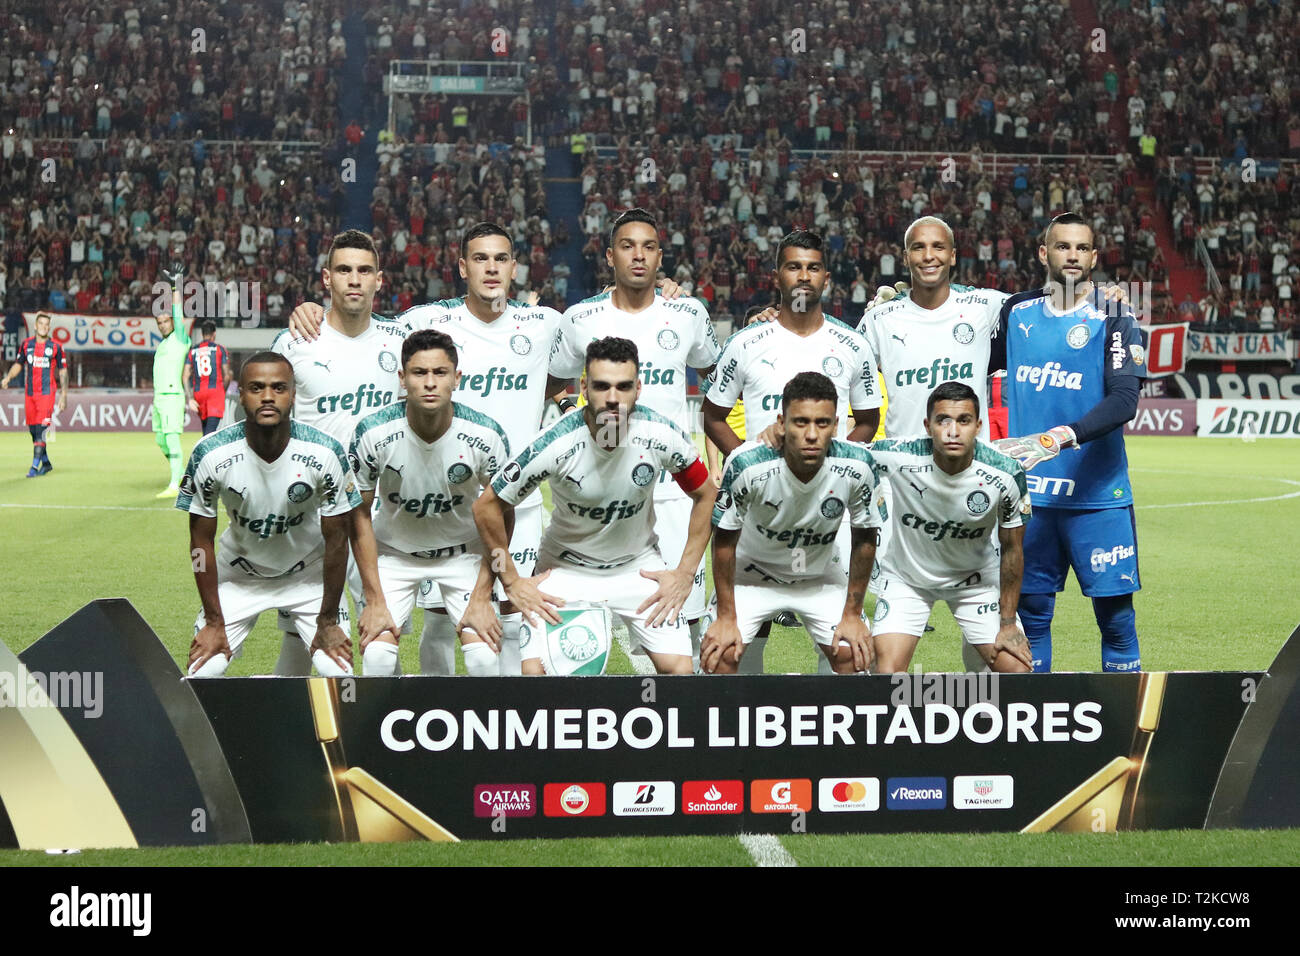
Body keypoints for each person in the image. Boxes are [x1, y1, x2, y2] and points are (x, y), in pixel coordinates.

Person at [287, 221, 566, 676]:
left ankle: (510, 729)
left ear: (515, 267)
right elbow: (360, 325)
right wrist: (311, 310)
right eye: (479, 258)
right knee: (439, 623)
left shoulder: (546, 323)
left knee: (514, 621)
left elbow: (583, 355)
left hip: (518, 501)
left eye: (500, 259)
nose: (491, 268)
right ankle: (437, 727)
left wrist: (666, 287)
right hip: (441, 505)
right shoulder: (423, 321)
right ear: (461, 267)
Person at [475, 336, 716, 676]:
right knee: (533, 675)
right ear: (584, 387)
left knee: (680, 672)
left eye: (623, 387)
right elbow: (487, 506)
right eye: (602, 387)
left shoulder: (660, 433)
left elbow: (706, 494)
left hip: (638, 567)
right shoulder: (555, 442)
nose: (613, 399)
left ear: (639, 388)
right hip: (564, 570)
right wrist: (512, 581)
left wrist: (685, 573)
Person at [701, 229, 882, 672]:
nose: (804, 276)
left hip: (827, 517)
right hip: (759, 515)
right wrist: (748, 461)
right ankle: (743, 732)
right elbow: (711, 415)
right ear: (777, 275)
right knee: (727, 653)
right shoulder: (746, 343)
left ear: (827, 278)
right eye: (793, 266)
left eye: (813, 267)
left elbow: (869, 419)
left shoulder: (853, 345)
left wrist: (833, 466)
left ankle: (832, 735)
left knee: (851, 655)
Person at [548, 209, 721, 658]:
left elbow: (717, 377)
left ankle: (685, 709)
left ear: (660, 256)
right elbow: (550, 383)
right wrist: (569, 404)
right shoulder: (582, 318)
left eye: (648, 247)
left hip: (674, 489)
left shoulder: (687, 313)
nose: (638, 256)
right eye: (627, 246)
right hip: (608, 489)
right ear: (610, 255)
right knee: (605, 608)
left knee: (687, 609)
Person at [991, 212, 1145, 673]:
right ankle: (1034, 737)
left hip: (1098, 497)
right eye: (1062, 246)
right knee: (1032, 620)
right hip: (1030, 497)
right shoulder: (1015, 312)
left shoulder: (1115, 313)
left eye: (1081, 248)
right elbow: (978, 368)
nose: (1072, 255)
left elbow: (1124, 399)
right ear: (1044, 253)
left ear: (1094, 257)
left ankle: (1127, 738)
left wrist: (1062, 436)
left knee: (1116, 620)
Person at [178, 352, 395, 677]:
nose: (267, 396)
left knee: (340, 677)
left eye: (279, 388)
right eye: (257, 387)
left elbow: (337, 542)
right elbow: (199, 545)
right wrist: (213, 621)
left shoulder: (325, 452)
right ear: (240, 394)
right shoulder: (211, 454)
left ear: (294, 395)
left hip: (308, 577)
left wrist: (328, 619)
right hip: (239, 578)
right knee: (201, 674)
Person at [270, 229, 405, 674]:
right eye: (344, 270)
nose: (354, 279)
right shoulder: (293, 344)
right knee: (310, 647)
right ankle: (286, 738)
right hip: (310, 520)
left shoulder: (401, 338)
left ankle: (381, 738)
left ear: (379, 280)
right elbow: (264, 430)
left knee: (382, 643)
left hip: (378, 517)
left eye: (364, 271)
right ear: (326, 278)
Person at [348, 329, 510, 676]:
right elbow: (357, 514)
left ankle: (473, 728)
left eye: (440, 373)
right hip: (393, 555)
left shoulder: (486, 435)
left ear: (457, 378)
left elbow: (502, 514)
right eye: (419, 373)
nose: (430, 382)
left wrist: (484, 593)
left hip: (461, 554)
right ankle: (389, 726)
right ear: (402, 379)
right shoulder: (373, 433)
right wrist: (373, 596)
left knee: (483, 659)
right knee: (376, 658)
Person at [701, 372, 880, 675]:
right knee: (719, 655)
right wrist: (726, 618)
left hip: (819, 578)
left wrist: (852, 614)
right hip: (751, 579)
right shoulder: (747, 464)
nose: (812, 434)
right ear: (781, 422)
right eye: (801, 422)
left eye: (822, 423)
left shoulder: (858, 465)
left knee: (856, 655)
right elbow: (724, 541)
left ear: (836, 425)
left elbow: (864, 539)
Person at [867, 382, 1033, 674]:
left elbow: (1012, 549)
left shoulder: (1005, 473)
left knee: (1017, 672)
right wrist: (776, 440)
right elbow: (839, 453)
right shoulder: (898, 455)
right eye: (943, 420)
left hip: (976, 583)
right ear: (927, 426)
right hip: (908, 580)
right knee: (886, 675)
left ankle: (977, 652)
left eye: (963, 421)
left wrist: (1007, 624)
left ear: (978, 426)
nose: (953, 431)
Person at [1, 310, 66, 476]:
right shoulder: (26, 345)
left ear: (49, 327)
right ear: (36, 326)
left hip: (47, 394)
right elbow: (18, 364)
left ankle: (34, 467)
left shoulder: (56, 347)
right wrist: (8, 377)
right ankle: (46, 463)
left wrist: (63, 394)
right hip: (30, 395)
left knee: (41, 430)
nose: (44, 327)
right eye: (41, 324)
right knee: (33, 431)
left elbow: (63, 371)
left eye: (47, 325)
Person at [151, 263, 193, 498]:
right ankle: (180, 473)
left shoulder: (179, 338)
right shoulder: (164, 344)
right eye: (159, 322)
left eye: (166, 321)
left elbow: (178, 311)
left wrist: (175, 284)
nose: (162, 324)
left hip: (171, 397)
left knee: (171, 438)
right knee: (160, 439)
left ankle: (175, 485)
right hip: (158, 398)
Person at [184, 320, 232, 435]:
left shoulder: (193, 351)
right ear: (214, 333)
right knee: (210, 433)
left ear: (202, 334)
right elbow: (227, 376)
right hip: (215, 393)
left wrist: (190, 398)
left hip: (199, 394)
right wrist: (222, 391)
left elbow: (185, 376)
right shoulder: (220, 349)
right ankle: (205, 452)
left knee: (206, 431)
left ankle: (205, 451)